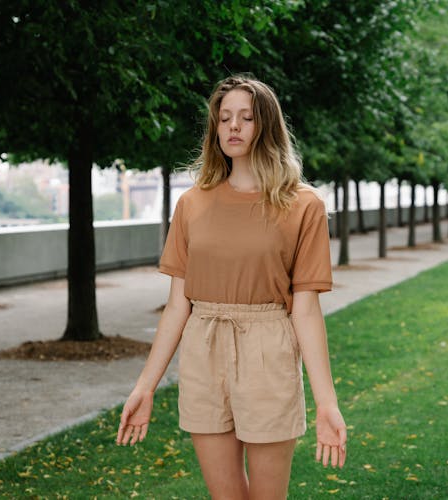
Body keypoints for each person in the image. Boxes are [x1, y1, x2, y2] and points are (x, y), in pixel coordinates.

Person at [116, 75, 347, 499]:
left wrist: (326, 402)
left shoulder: (303, 205)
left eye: (245, 118)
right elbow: (177, 306)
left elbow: (306, 309)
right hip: (203, 349)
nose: (233, 127)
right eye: (224, 119)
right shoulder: (192, 203)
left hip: (268, 348)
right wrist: (144, 387)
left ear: (267, 127)